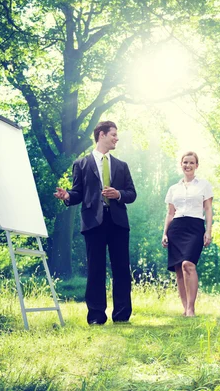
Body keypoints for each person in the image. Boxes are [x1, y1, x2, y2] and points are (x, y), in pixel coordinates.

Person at [54, 121, 136, 325]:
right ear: (101, 135)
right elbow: (77, 193)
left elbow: (132, 193)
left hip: (117, 222)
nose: (117, 138)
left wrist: (118, 194)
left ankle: (122, 315)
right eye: (114, 134)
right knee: (95, 269)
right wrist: (67, 196)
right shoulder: (80, 164)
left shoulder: (121, 166)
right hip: (93, 223)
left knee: (121, 269)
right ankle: (96, 316)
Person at [162, 152, 213, 317]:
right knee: (178, 269)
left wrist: (208, 230)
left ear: (196, 165)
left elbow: (208, 209)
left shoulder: (204, 185)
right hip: (176, 228)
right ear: (181, 164)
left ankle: (191, 308)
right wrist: (165, 233)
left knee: (188, 265)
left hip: (195, 227)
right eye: (185, 162)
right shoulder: (173, 188)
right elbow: (170, 213)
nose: (188, 165)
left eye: (191, 162)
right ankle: (185, 308)